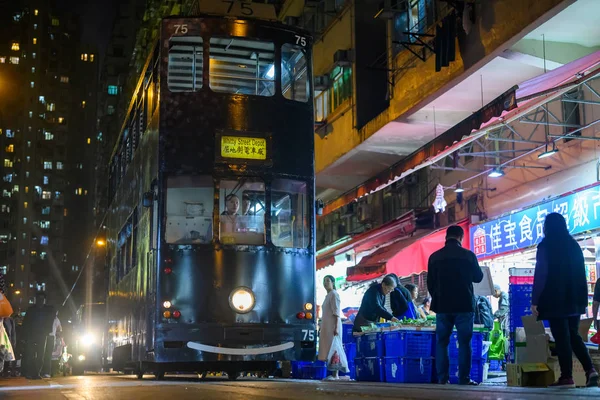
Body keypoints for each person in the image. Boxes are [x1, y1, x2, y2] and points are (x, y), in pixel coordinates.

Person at [531, 213, 598, 388]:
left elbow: (542, 274)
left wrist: (535, 299)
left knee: (561, 337)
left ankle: (567, 377)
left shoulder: (546, 246)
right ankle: (590, 370)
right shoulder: (574, 245)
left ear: (547, 227)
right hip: (575, 298)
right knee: (573, 335)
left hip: (555, 300)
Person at [427, 225, 483, 386]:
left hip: (442, 306)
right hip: (464, 305)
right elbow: (478, 277)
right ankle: (464, 379)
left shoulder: (434, 257)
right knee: (465, 343)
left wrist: (438, 296)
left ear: (447, 237)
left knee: (442, 342)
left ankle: (442, 379)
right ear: (460, 237)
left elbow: (430, 283)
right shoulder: (468, 256)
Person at [318, 275, 348, 380]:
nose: (325, 283)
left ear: (333, 282)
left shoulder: (334, 294)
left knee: (334, 348)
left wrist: (335, 327)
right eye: (324, 281)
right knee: (328, 348)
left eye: (328, 281)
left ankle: (336, 375)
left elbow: (336, 313)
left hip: (333, 325)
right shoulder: (328, 296)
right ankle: (332, 373)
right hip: (327, 326)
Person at [22, 291, 56, 379]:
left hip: (42, 335)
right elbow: (25, 322)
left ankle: (37, 373)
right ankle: (30, 372)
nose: (40, 301)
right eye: (38, 299)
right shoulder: (31, 309)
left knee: (41, 354)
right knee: (30, 354)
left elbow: (51, 319)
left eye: (42, 299)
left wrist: (47, 330)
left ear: (44, 300)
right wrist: (25, 335)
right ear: (36, 300)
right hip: (31, 334)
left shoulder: (48, 310)